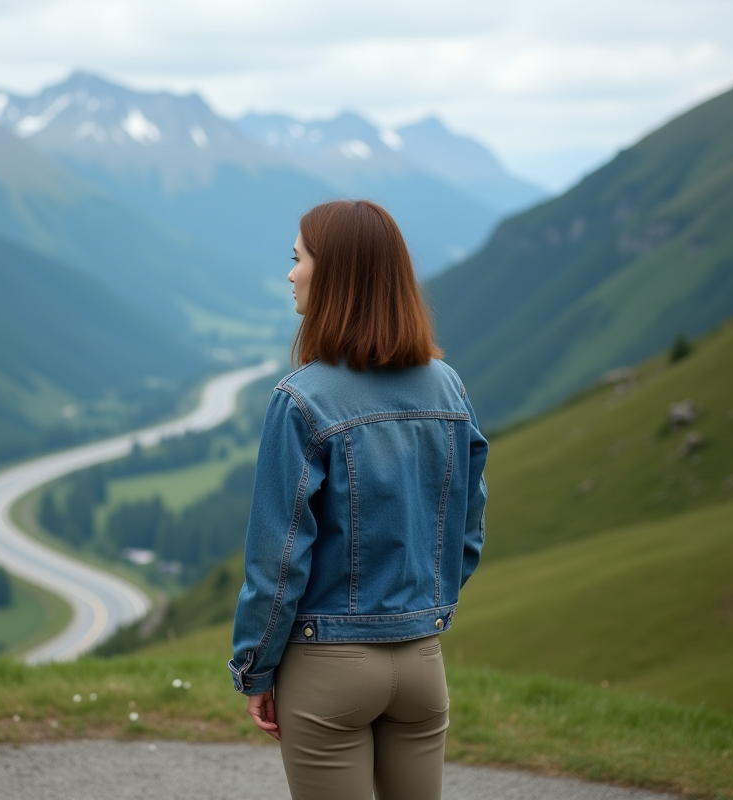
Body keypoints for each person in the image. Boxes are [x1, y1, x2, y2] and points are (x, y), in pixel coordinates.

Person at [229, 200, 488, 800]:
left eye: (298, 260)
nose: (290, 274)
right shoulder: (447, 385)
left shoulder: (300, 399)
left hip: (327, 667)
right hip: (423, 661)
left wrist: (256, 669)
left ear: (336, 276)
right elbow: (467, 528)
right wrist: (423, 604)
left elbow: (277, 559)